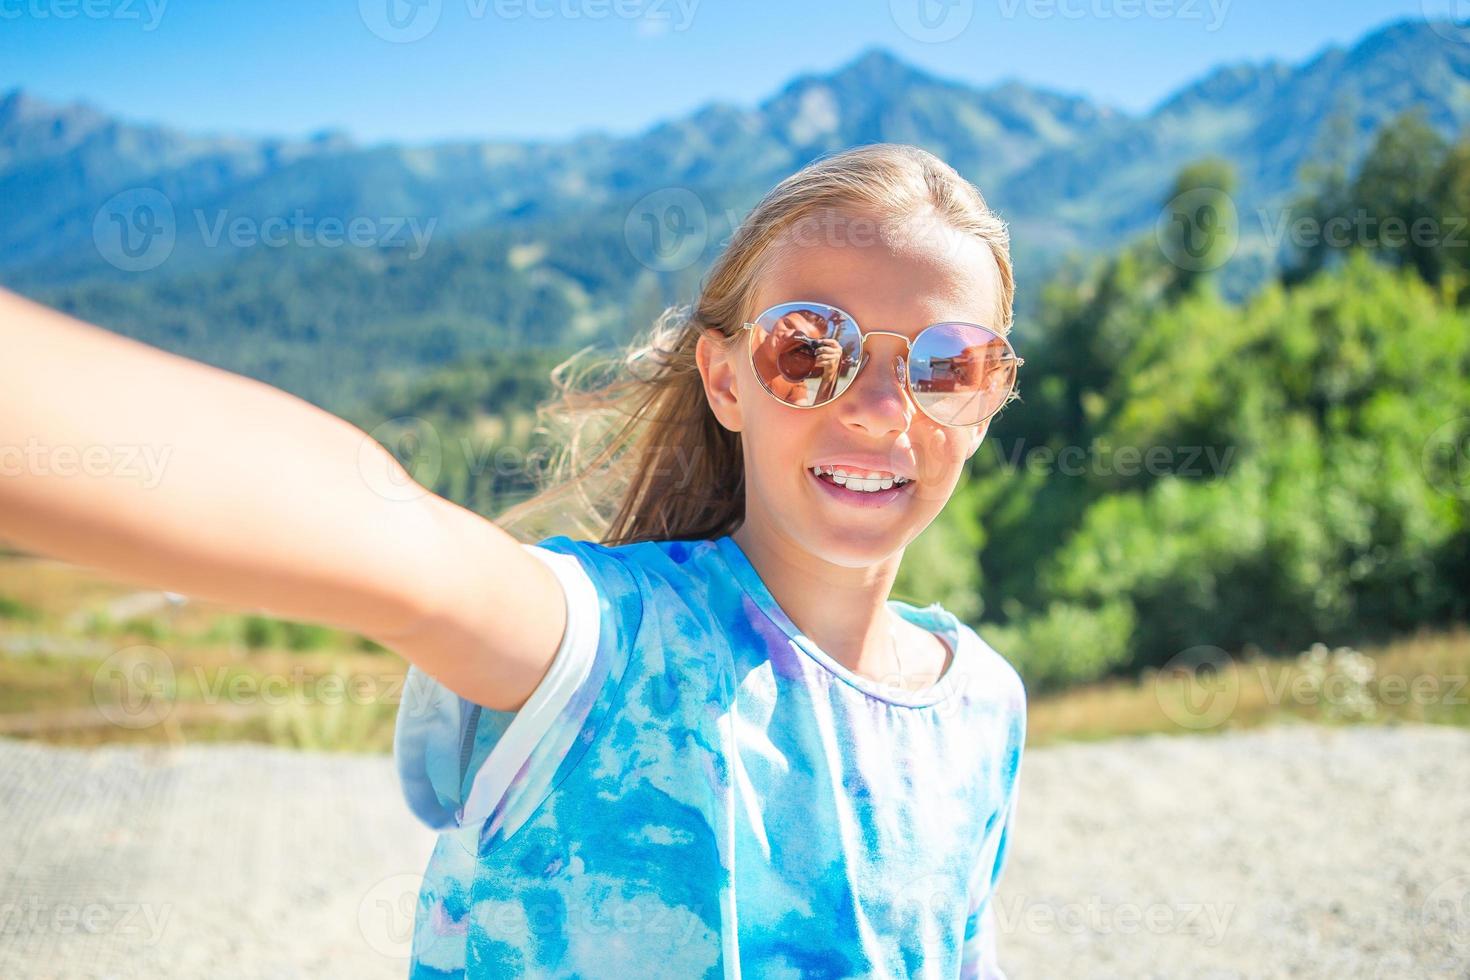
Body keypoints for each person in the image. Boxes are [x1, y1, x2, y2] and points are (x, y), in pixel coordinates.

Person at [0, 142, 1027, 978]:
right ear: (724, 378)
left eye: (948, 363)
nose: (881, 408)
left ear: (987, 402)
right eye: (810, 347)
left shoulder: (985, 704)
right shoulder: (601, 642)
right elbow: (378, 531)